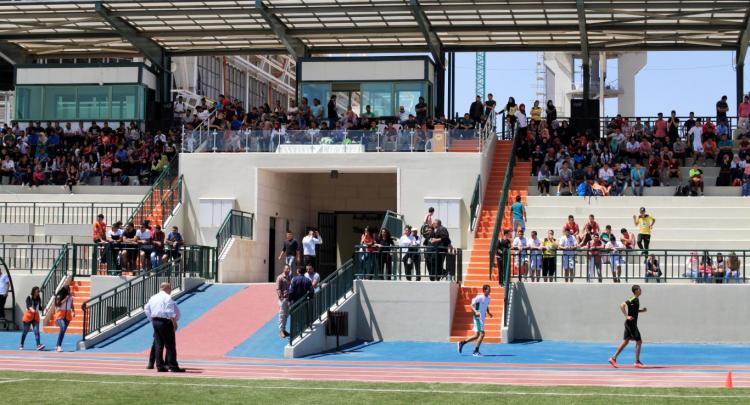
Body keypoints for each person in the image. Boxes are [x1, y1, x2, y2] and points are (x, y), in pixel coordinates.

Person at [144, 282, 185, 372]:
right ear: (167, 288)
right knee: (170, 345)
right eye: (170, 288)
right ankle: (173, 366)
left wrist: (152, 319)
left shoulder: (153, 297)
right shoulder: (167, 297)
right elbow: (169, 311)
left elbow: (146, 309)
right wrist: (174, 323)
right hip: (165, 321)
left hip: (156, 321)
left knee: (158, 344)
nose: (171, 291)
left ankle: (159, 366)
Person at [609, 285, 647, 368]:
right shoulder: (632, 298)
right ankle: (637, 362)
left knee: (626, 341)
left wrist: (641, 311)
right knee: (639, 341)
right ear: (636, 290)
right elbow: (622, 305)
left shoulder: (636, 300)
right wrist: (626, 316)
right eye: (640, 289)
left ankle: (613, 358)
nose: (641, 290)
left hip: (629, 324)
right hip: (631, 324)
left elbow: (634, 311)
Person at [457, 284, 493, 357]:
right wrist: (476, 311)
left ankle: (462, 343)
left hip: (482, 318)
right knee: (482, 334)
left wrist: (489, 313)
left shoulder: (489, 298)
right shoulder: (479, 297)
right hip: (477, 318)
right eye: (488, 289)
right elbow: (471, 305)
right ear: (484, 290)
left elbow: (486, 306)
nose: (490, 290)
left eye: (490, 289)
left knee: (477, 335)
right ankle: (475, 351)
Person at [53, 276, 75, 352]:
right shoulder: (60, 296)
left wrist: (73, 311)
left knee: (62, 331)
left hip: (67, 315)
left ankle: (57, 345)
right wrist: (65, 299)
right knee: (62, 328)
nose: (69, 291)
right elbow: (57, 305)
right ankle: (59, 346)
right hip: (60, 314)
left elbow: (72, 304)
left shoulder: (71, 297)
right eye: (68, 290)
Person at [19, 286, 45, 351]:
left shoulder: (38, 298)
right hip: (28, 317)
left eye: (39, 291)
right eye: (37, 291)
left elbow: (39, 307)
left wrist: (43, 308)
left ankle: (38, 345)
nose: (38, 293)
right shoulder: (29, 297)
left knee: (36, 331)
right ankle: (21, 344)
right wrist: (32, 309)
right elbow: (28, 305)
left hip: (35, 318)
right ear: (34, 291)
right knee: (25, 331)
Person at [276, 265, 291, 338]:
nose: (288, 270)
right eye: (286, 268)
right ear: (283, 269)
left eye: (289, 269)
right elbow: (278, 288)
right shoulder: (280, 277)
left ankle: (284, 329)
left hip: (288, 299)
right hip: (283, 299)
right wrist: (281, 298)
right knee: (282, 315)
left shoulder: (290, 277)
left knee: (286, 315)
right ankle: (281, 330)